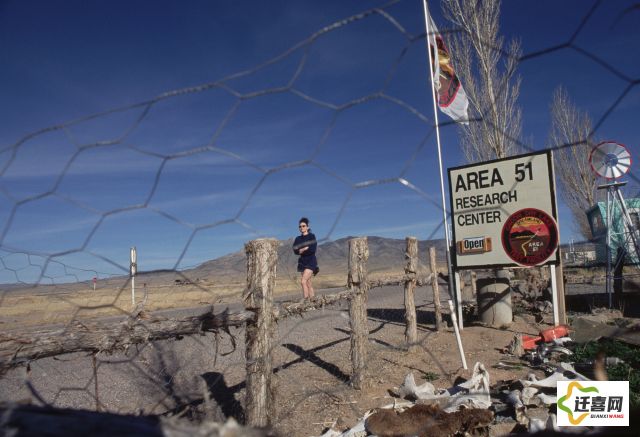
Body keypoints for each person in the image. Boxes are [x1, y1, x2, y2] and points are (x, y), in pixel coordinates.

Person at [292, 217, 318, 299]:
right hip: (302, 262)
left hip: (311, 261)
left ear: (307, 227)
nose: (301, 228)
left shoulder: (311, 236)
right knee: (308, 283)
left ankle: (306, 302)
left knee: (303, 281)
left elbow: (312, 249)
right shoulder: (298, 239)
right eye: (300, 226)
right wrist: (304, 248)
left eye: (303, 226)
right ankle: (313, 302)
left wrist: (301, 250)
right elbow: (295, 250)